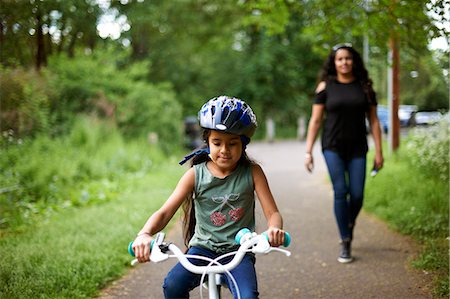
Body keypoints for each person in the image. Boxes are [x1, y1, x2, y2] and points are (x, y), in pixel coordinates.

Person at [132, 96, 286, 298]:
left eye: (232, 143)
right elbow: (164, 212)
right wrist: (144, 234)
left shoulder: (252, 172)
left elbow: (272, 212)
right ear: (207, 142)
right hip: (202, 251)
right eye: (217, 142)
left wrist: (274, 229)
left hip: (238, 252)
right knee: (172, 286)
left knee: (247, 296)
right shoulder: (195, 175)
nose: (224, 150)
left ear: (244, 144)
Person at [304, 43, 384, 263]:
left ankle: (348, 221)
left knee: (357, 194)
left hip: (358, 147)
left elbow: (374, 122)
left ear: (354, 61)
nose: (344, 62)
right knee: (341, 191)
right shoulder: (325, 87)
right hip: (332, 146)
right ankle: (345, 241)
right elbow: (316, 120)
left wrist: (380, 151)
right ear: (334, 62)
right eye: (340, 59)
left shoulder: (365, 87)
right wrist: (308, 151)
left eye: (348, 58)